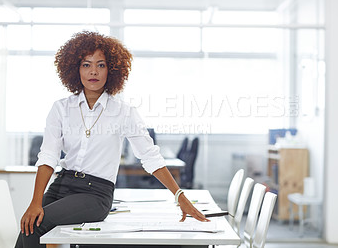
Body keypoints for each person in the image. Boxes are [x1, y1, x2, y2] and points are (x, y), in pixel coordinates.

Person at [15, 31, 208, 248]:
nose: (93, 72)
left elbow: (150, 157)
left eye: (101, 65)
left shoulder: (123, 113)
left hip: (95, 193)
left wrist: (180, 197)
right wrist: (35, 201)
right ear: (75, 69)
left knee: (37, 225)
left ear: (112, 70)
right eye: (86, 65)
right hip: (62, 184)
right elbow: (48, 156)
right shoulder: (61, 108)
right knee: (27, 227)